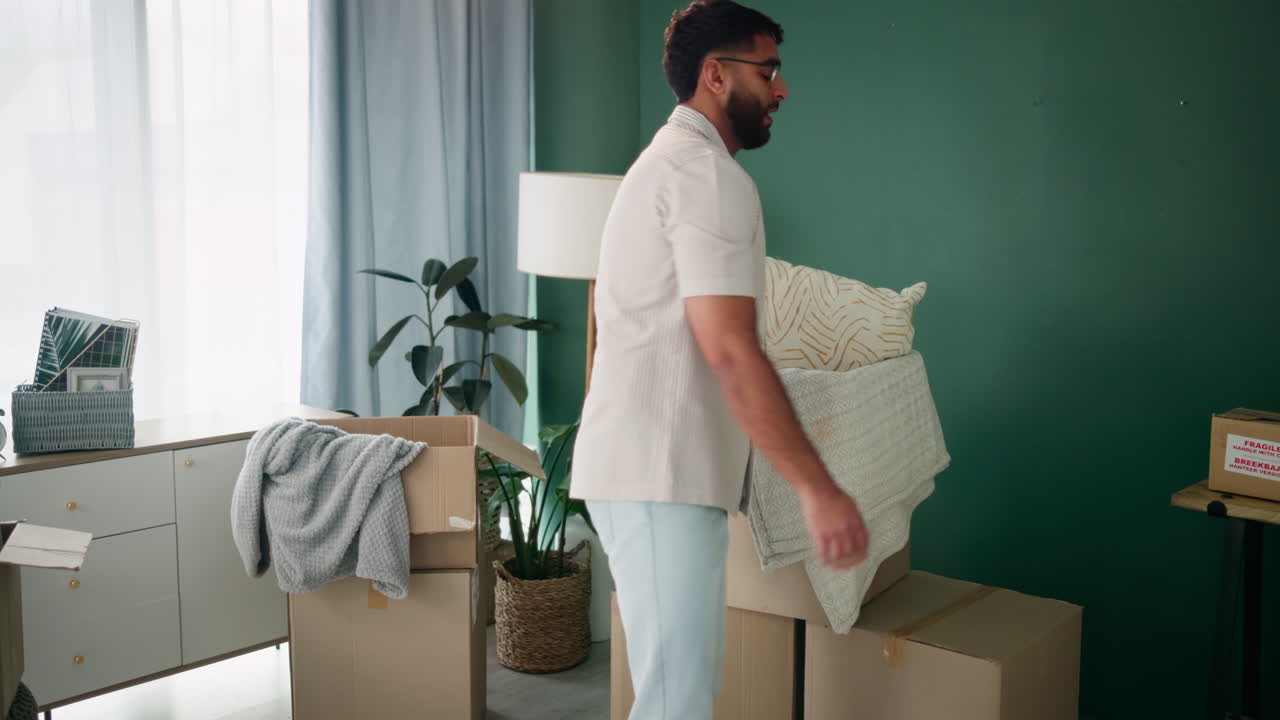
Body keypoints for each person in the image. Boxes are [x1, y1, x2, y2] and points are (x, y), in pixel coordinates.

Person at [569, 1, 869, 717]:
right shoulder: (705, 177)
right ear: (714, 75)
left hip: (652, 475)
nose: (781, 89)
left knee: (677, 697)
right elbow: (731, 349)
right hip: (656, 475)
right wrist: (818, 489)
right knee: (679, 703)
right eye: (768, 70)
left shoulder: (668, 167)